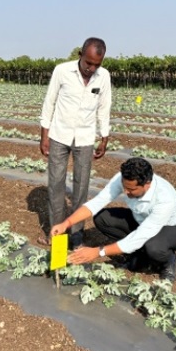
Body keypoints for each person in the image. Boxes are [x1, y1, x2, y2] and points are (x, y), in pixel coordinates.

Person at [50, 157, 176, 282]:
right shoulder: (124, 179)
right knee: (102, 218)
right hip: (142, 220)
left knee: (153, 247)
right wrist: (66, 223)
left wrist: (98, 252)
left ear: (147, 184)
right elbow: (97, 202)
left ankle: (168, 261)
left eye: (131, 190)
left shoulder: (164, 199)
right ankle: (138, 253)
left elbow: (142, 235)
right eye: (124, 187)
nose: (125, 192)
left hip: (173, 229)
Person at [39, 37, 112, 249]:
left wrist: (104, 137)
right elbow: (49, 102)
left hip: (85, 137)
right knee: (56, 185)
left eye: (97, 64)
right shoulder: (62, 71)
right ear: (80, 55)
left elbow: (104, 107)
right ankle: (57, 237)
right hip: (59, 136)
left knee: (81, 188)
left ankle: (78, 236)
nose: (91, 68)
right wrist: (44, 136)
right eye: (88, 63)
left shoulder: (103, 77)